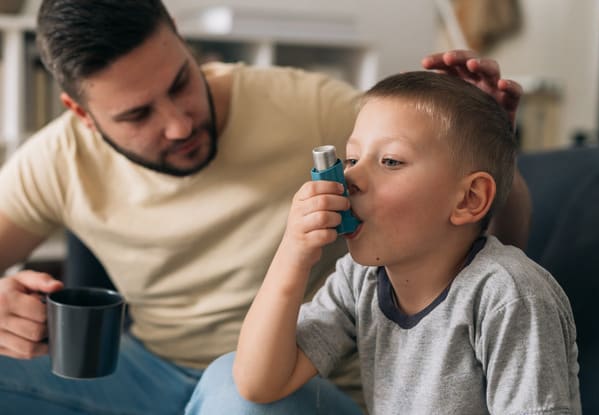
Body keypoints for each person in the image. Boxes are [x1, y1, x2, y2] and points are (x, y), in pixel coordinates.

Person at [0, 1, 529, 414]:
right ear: (81, 113)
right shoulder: (53, 158)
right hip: (151, 376)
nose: (179, 124)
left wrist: (480, 143)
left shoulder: (311, 107)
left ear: (183, 42)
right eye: (138, 114)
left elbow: (486, 233)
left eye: (182, 82)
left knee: (238, 390)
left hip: (291, 388)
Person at [192, 71, 581, 414]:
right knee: (226, 375)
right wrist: (291, 256)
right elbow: (258, 384)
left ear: (468, 199)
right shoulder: (359, 280)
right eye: (350, 159)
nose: (351, 178)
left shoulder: (508, 295)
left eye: (391, 161)